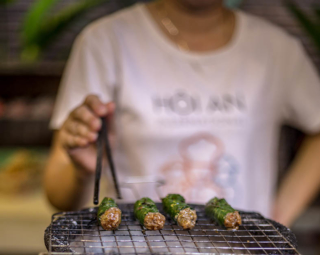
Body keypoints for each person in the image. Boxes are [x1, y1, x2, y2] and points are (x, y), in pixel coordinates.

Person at [45, 0, 320, 226]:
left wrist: (280, 214)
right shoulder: (104, 42)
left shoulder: (277, 48)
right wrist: (83, 171)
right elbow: (57, 194)